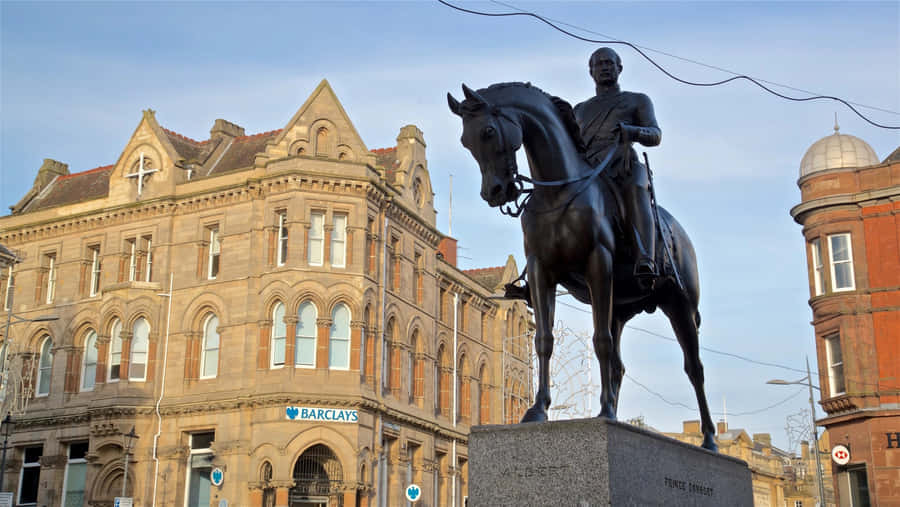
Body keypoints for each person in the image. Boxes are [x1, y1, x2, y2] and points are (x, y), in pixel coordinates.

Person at [574, 47, 661, 285]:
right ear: (591, 71)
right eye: (598, 64)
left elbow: (655, 134)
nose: (603, 67)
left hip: (622, 166)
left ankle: (646, 257)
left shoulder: (637, 100)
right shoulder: (580, 110)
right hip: (589, 172)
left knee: (635, 187)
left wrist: (631, 131)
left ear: (619, 68)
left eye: (608, 63)